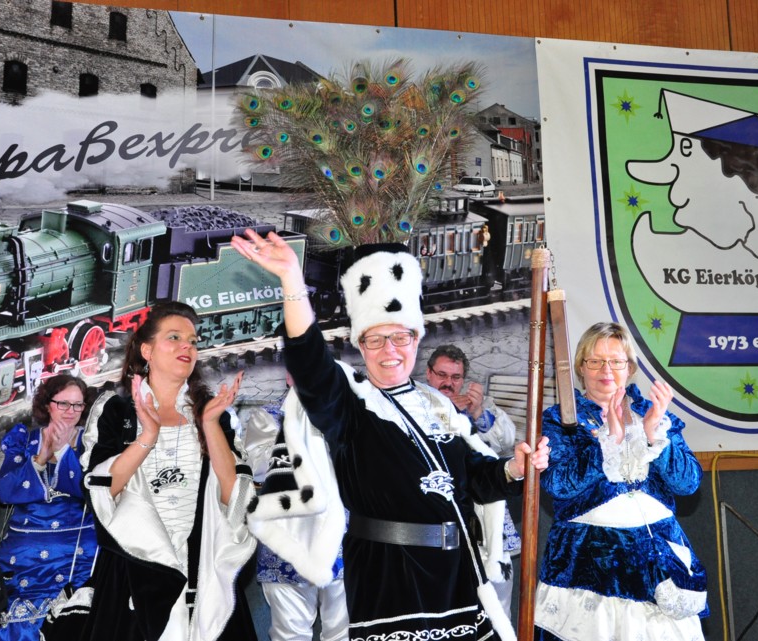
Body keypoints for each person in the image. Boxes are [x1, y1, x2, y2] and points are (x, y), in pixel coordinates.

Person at [232, 230, 550, 641]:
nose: (390, 350)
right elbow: (310, 365)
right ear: (360, 346)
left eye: (400, 337)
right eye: (375, 339)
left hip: (456, 576)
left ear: (416, 339)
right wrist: (292, 282)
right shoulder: (349, 405)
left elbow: (474, 478)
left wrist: (513, 468)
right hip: (389, 576)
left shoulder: (439, 406)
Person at [79, 301, 258, 641]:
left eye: (193, 341)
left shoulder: (215, 414)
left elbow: (234, 500)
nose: (186, 347)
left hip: (203, 574)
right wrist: (147, 436)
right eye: (174, 337)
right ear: (146, 350)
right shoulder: (116, 410)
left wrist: (209, 425)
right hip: (133, 573)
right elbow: (100, 492)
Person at [534, 322, 708, 641]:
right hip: (587, 565)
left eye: (616, 361)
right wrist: (608, 443)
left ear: (630, 367)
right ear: (580, 367)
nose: (606, 370)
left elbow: (688, 484)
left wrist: (655, 436)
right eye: (595, 361)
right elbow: (557, 484)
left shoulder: (654, 414)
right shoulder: (561, 420)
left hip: (658, 561)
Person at [243, 372, 349, 641]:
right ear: (289, 375)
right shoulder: (267, 416)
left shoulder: (343, 415)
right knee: (289, 635)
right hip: (285, 544)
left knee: (343, 633)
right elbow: (258, 468)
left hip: (341, 542)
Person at [0, 375, 97, 641]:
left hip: (78, 549)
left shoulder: (92, 443)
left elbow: (88, 490)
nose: (71, 411)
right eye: (63, 403)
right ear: (47, 404)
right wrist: (40, 459)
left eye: (78, 404)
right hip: (24, 551)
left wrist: (62, 452)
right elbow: (6, 492)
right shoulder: (24, 441)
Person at [425, 344, 521, 615]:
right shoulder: (416, 404)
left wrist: (477, 413)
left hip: (485, 511)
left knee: (498, 601)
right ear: (429, 374)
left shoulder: (480, 404)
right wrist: (446, 415)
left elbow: (505, 441)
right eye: (442, 375)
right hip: (439, 515)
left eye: (456, 377)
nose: (448, 383)